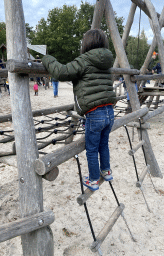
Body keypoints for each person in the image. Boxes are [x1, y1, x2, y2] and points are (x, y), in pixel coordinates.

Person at [42, 29, 117, 191]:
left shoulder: (84, 60)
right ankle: (107, 171)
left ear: (86, 43)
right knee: (103, 145)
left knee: (91, 148)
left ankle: (93, 179)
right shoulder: (107, 61)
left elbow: (62, 72)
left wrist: (47, 58)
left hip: (95, 112)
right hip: (109, 111)